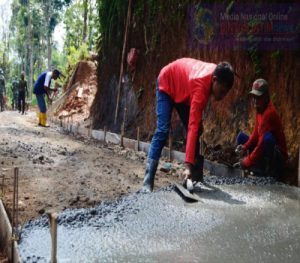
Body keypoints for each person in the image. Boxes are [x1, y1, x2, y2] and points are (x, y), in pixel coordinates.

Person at [142, 58, 235, 192]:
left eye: (225, 92)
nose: (222, 96)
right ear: (214, 80)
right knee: (163, 131)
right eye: (222, 91)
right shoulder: (201, 85)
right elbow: (192, 126)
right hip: (167, 82)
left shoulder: (219, 72)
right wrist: (187, 166)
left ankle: (194, 177)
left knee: (197, 129)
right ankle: (148, 181)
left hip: (183, 87)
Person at [234, 79, 288, 179]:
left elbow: (261, 144)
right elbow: (255, 134)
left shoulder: (269, 113)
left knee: (267, 139)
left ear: (266, 97)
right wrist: (245, 147)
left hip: (277, 157)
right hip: (263, 147)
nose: (255, 101)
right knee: (241, 137)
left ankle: (269, 172)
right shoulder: (260, 109)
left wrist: (246, 162)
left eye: (258, 98)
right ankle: (257, 166)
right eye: (254, 97)